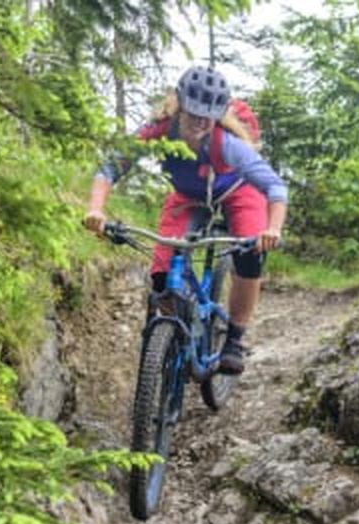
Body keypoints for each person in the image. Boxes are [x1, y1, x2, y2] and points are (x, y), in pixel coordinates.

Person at [84, 65, 288, 375]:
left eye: (208, 115)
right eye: (193, 112)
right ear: (180, 105)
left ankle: (234, 338)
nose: (200, 121)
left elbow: (274, 188)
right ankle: (171, 336)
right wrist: (96, 209)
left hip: (237, 191)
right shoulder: (159, 131)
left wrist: (272, 230)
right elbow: (110, 168)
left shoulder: (227, 143)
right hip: (187, 195)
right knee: (163, 276)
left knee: (250, 254)